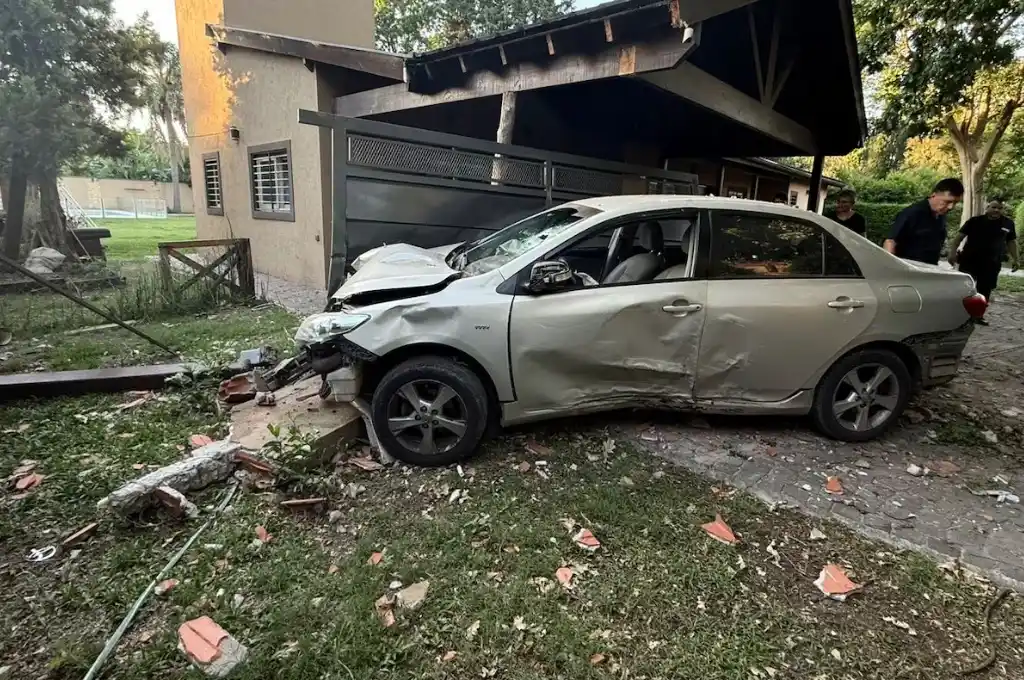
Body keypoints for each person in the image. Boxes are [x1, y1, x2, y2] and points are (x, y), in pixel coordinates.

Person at [947, 199, 1019, 325]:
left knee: (985, 290)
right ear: (987, 208)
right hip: (969, 260)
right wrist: (952, 252)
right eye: (994, 207)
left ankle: (978, 316)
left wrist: (1016, 259)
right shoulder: (975, 221)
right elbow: (959, 237)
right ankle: (957, 314)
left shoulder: (1008, 224)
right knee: (964, 287)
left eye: (1000, 208)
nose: (997, 210)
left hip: (992, 262)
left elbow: (1011, 242)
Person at [884, 178, 964, 265]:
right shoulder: (912, 213)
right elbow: (890, 242)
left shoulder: (941, 215)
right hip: (908, 271)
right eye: (948, 201)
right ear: (933, 195)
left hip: (929, 270)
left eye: (955, 203)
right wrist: (891, 269)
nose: (951, 207)